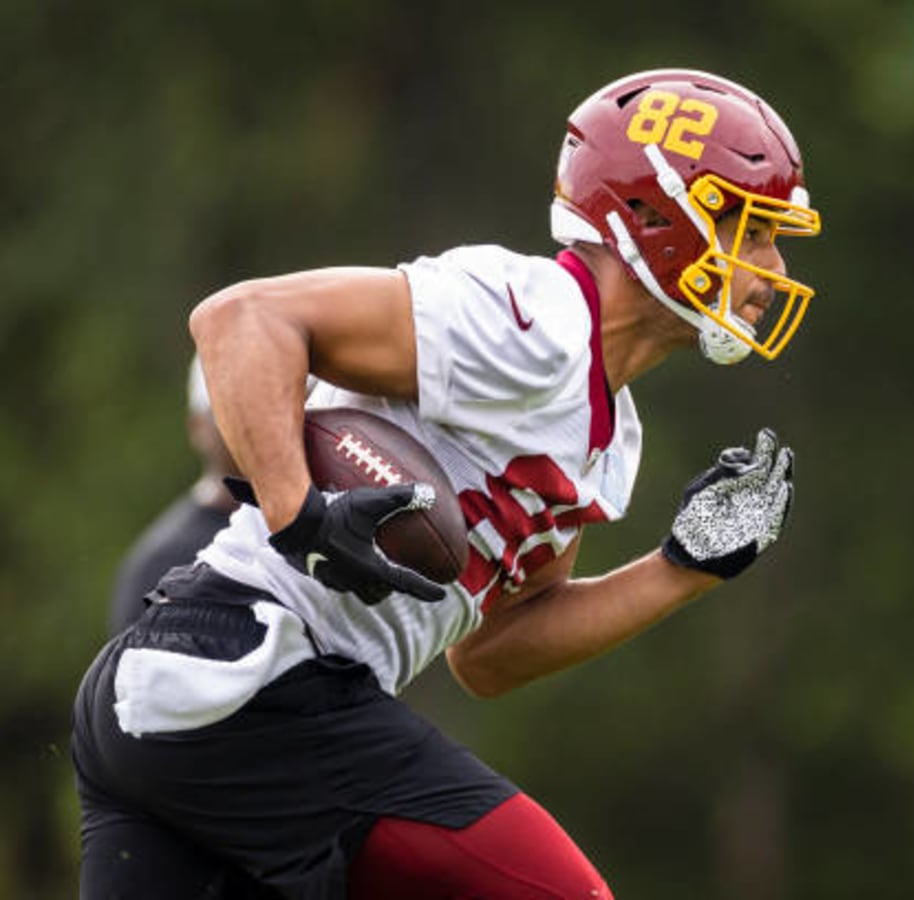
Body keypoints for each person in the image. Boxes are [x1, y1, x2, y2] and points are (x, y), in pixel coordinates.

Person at [71, 68, 822, 899]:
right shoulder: (528, 318)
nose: (772, 266)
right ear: (653, 216)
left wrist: (682, 568)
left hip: (191, 706)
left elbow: (490, 655)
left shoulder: (612, 436)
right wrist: (298, 512)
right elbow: (240, 319)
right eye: (752, 231)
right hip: (248, 674)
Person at [107, 355, 241, 635]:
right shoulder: (160, 563)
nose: (250, 423)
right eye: (230, 409)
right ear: (198, 428)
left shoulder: (316, 524)